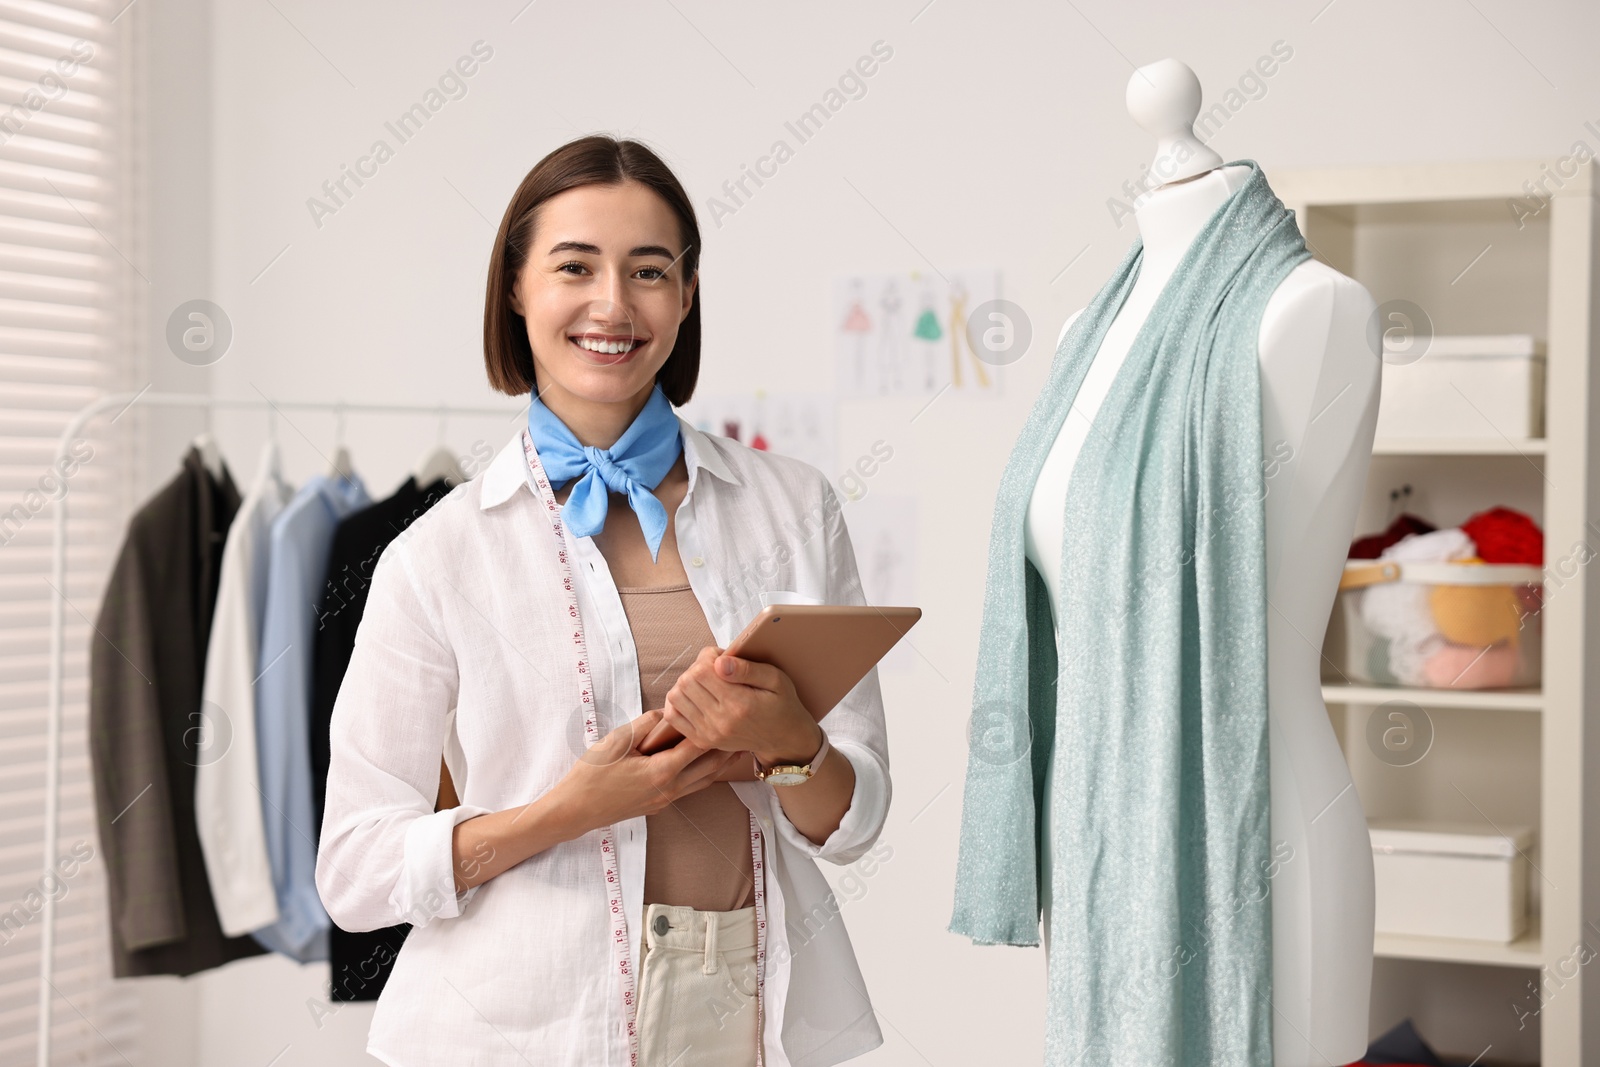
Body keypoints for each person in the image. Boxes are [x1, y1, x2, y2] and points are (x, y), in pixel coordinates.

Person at [315, 134, 890, 1067]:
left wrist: (793, 739)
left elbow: (855, 818)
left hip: (737, 1003)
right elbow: (353, 871)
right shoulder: (436, 555)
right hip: (517, 1025)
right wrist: (566, 808)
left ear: (688, 294)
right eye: (574, 266)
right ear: (516, 288)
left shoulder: (794, 508)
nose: (613, 304)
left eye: (650, 270)